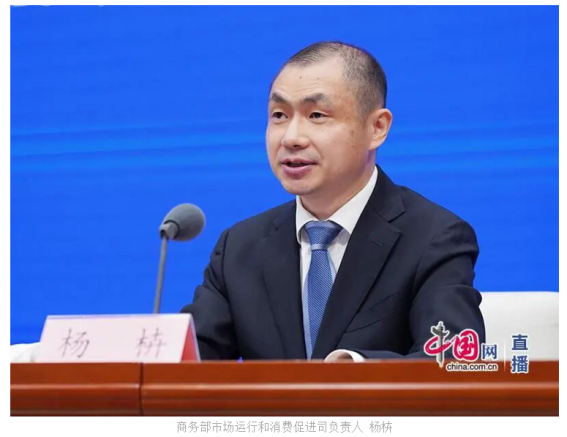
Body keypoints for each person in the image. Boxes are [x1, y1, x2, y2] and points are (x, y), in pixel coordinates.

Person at [181, 41, 485, 361]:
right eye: (279, 115)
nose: (291, 138)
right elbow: (189, 365)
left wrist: (355, 370)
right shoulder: (239, 248)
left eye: (316, 115)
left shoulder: (434, 237)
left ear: (377, 128)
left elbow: (454, 361)